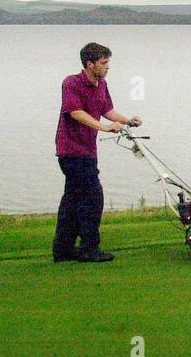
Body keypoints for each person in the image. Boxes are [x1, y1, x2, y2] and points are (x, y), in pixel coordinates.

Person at [53, 42, 142, 263]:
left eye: (108, 62)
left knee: (72, 200)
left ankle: (63, 249)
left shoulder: (102, 84)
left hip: (88, 151)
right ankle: (89, 248)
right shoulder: (71, 83)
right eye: (103, 63)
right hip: (71, 151)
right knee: (93, 197)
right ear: (89, 64)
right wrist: (105, 127)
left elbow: (106, 110)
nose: (107, 67)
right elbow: (76, 112)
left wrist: (127, 121)